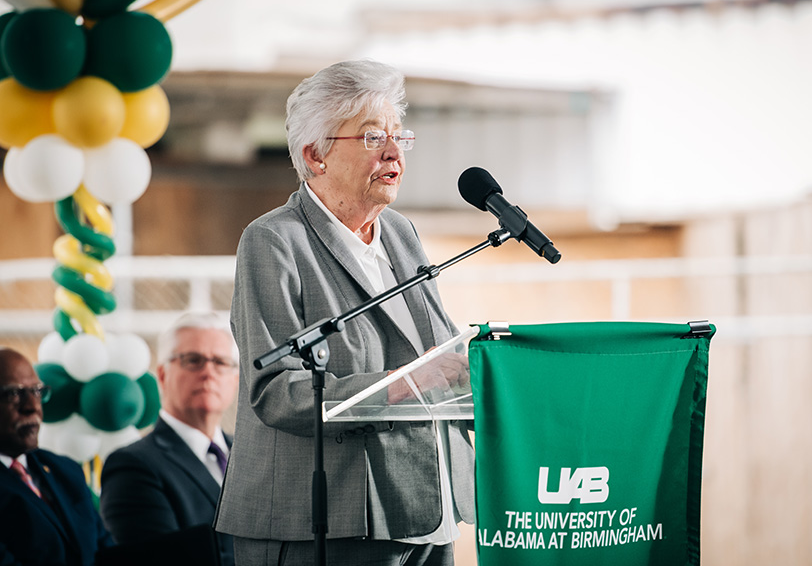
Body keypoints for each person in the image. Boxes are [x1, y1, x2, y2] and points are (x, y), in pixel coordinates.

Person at [214, 59, 475, 566]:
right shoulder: (273, 241)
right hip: (329, 519)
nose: (395, 153)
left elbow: (438, 351)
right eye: (374, 137)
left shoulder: (400, 232)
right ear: (316, 155)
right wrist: (404, 381)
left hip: (426, 504)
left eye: (400, 137)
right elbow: (277, 392)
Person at [100, 312, 239, 566]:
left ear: (235, 379)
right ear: (162, 375)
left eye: (220, 362)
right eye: (193, 360)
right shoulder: (132, 467)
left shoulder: (252, 457)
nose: (208, 372)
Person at [0, 347, 114, 565]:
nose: (32, 407)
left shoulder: (65, 470)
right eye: (13, 394)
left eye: (37, 392)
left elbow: (106, 553)